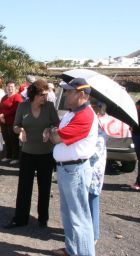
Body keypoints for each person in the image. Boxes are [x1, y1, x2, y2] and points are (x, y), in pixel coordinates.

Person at [49, 78, 98, 256]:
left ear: (82, 94)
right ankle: (72, 250)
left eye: (70, 91)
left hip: (75, 170)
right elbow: (56, 132)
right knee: (69, 215)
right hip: (67, 169)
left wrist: (52, 133)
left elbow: (56, 137)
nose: (66, 94)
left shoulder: (85, 115)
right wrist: (53, 132)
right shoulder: (72, 112)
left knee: (79, 218)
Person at [4, 79, 59, 229]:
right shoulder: (23, 106)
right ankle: (20, 218)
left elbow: (57, 124)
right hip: (27, 153)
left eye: (46, 94)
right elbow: (16, 125)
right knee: (24, 188)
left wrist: (50, 130)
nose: (45, 97)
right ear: (34, 94)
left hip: (46, 154)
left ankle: (43, 218)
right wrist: (20, 130)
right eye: (42, 94)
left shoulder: (49, 107)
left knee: (45, 187)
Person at [89, 99, 108, 245]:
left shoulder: (96, 123)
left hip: (93, 170)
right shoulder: (94, 121)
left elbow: (95, 150)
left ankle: (93, 235)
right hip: (90, 169)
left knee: (92, 200)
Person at [0, 81, 23, 164]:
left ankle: (15, 157)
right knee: (6, 140)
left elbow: (15, 109)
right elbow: (0, 107)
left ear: (15, 87)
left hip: (12, 122)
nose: (10, 88)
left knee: (14, 140)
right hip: (4, 122)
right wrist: (1, 116)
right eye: (8, 86)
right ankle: (8, 156)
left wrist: (3, 115)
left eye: (12, 86)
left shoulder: (17, 97)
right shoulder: (4, 97)